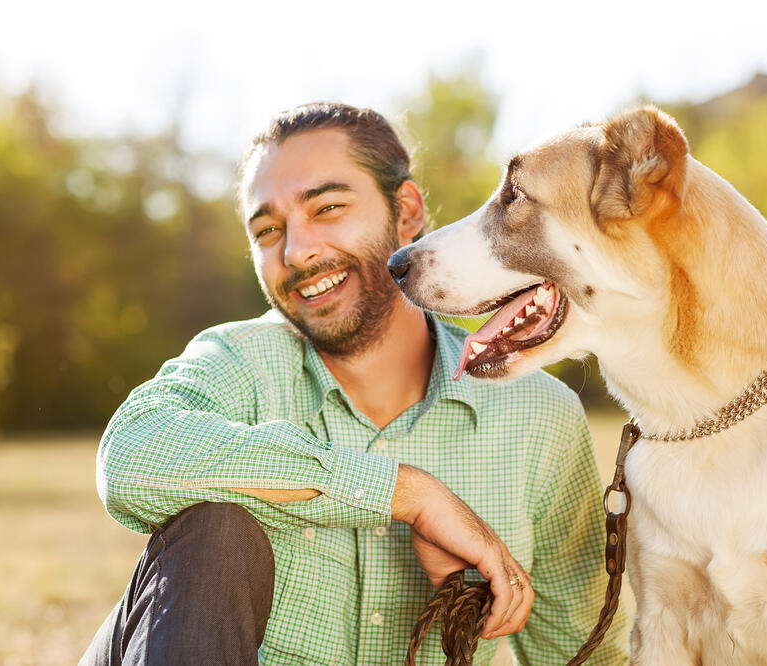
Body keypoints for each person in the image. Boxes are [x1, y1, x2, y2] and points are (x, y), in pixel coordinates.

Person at [82, 102, 628, 665]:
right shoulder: (238, 362)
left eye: (328, 208)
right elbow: (129, 454)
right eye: (267, 231)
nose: (297, 251)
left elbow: (582, 654)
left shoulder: (538, 417)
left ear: (406, 211)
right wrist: (408, 494)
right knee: (218, 532)